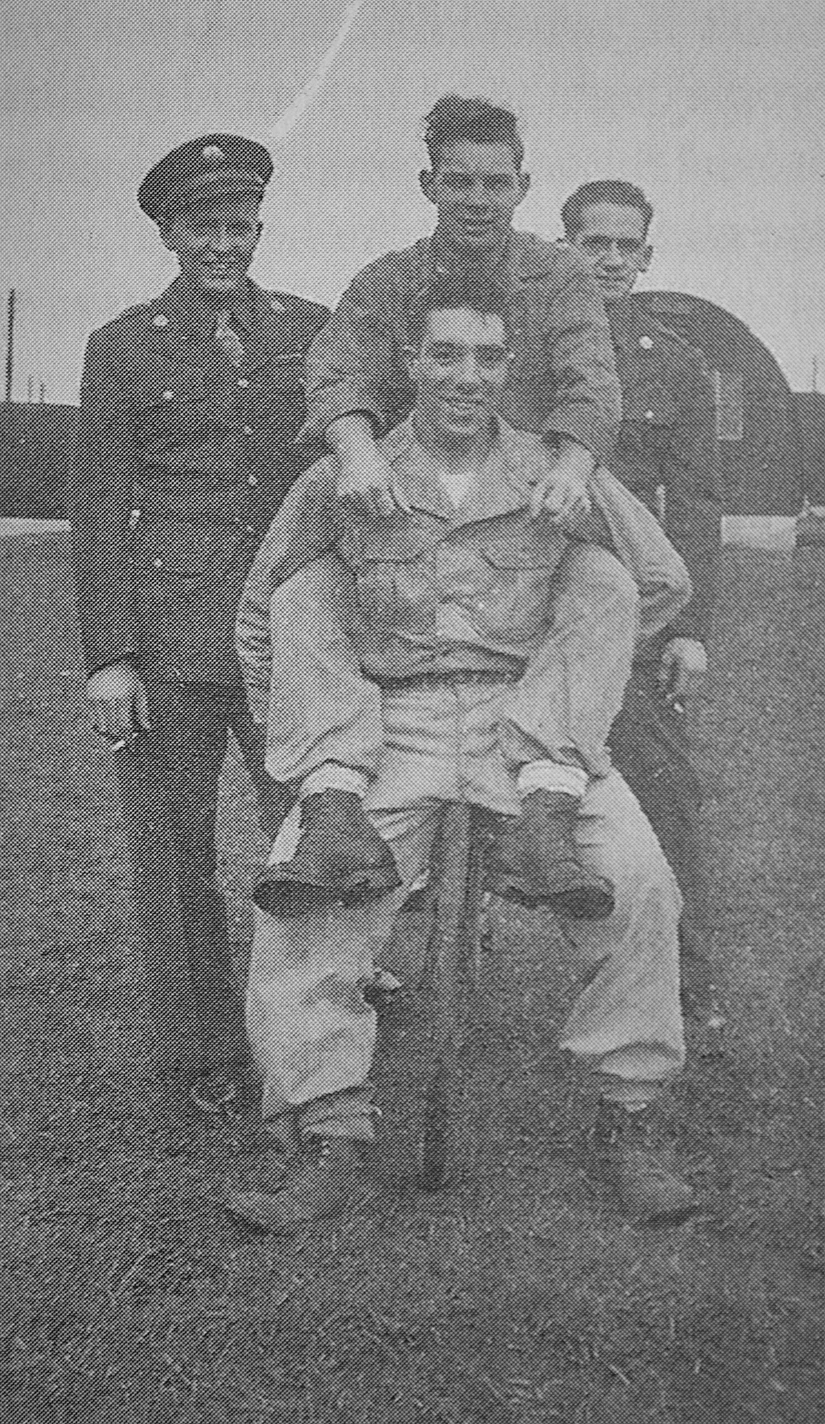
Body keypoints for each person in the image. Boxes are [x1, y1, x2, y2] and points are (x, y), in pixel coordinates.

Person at [227, 285, 697, 1234]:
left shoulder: (556, 473)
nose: (465, 377)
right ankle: (328, 1130)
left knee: (639, 882)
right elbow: (264, 609)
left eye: (486, 358)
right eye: (444, 354)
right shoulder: (345, 475)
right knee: (303, 907)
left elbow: (655, 581)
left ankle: (629, 1115)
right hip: (385, 725)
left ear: (509, 369)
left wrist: (569, 674)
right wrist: (318, 748)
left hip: (530, 732)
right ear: (409, 362)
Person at [243, 95, 630, 897]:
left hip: (534, 503)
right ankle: (340, 816)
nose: (477, 200)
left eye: (496, 183)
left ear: (522, 187)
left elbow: (590, 378)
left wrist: (571, 465)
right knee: (306, 591)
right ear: (428, 185)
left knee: (619, 600)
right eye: (458, 182)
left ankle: (559, 820)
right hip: (407, 506)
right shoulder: (388, 279)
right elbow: (337, 367)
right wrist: (356, 451)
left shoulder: (559, 275)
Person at [65, 135, 329, 1101]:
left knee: (310, 839)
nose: (223, 244)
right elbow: (98, 502)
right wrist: (110, 657)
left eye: (239, 226)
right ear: (169, 235)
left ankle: (313, 1030)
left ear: (258, 228)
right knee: (175, 859)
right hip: (168, 642)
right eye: (203, 227)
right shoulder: (123, 346)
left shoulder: (310, 329)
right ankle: (206, 1054)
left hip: (288, 637)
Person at [560, 181, 722, 930]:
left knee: (663, 789)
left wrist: (688, 630)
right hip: (517, 594)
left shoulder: (675, 364)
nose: (612, 260)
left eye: (627, 246)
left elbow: (693, 503)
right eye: (595, 243)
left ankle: (684, 974)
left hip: (628, 612)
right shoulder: (520, 344)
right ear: (565, 248)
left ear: (647, 256)